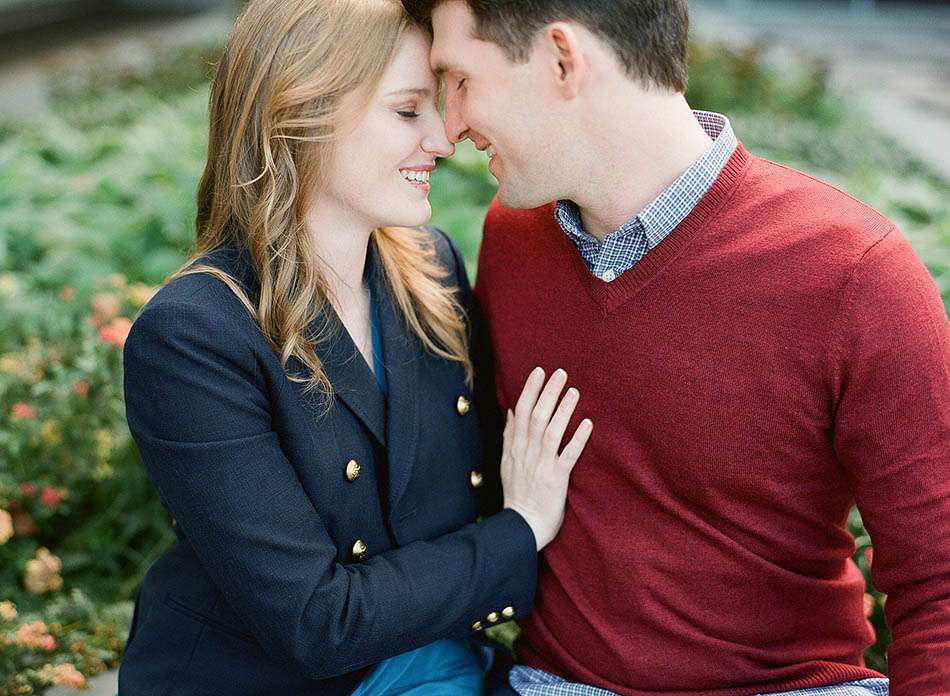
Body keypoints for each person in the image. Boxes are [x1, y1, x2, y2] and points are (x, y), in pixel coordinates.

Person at [401, 0, 950, 694]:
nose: (450, 128)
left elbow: (940, 590)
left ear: (563, 60)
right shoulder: (514, 241)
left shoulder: (855, 274)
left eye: (461, 82)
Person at [117, 1, 594, 694]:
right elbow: (317, 621)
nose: (442, 138)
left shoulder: (429, 267)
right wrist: (518, 532)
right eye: (407, 111)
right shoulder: (195, 336)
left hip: (445, 661)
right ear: (299, 114)